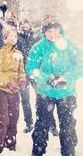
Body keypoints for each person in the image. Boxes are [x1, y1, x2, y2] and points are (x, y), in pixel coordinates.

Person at [26, 15, 82, 156]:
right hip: (45, 93)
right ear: (44, 33)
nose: (52, 34)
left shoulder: (69, 45)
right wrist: (47, 79)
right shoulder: (38, 47)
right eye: (49, 31)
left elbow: (80, 65)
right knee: (41, 126)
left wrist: (66, 78)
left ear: (60, 30)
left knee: (68, 126)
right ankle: (38, 152)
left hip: (67, 92)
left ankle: (68, 152)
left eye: (55, 30)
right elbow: (31, 67)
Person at [0, 21, 26, 154]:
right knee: (3, 117)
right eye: (10, 36)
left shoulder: (19, 53)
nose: (13, 39)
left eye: (15, 36)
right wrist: (7, 83)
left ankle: (11, 141)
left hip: (14, 89)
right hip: (0, 89)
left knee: (14, 116)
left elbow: (21, 70)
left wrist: (21, 80)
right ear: (5, 37)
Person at [18, 19, 58, 135]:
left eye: (26, 23)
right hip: (23, 73)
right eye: (22, 24)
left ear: (30, 25)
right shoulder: (17, 38)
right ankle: (29, 123)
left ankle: (52, 125)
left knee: (45, 98)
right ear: (19, 26)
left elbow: (47, 37)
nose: (24, 26)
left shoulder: (36, 36)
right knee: (25, 100)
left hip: (36, 71)